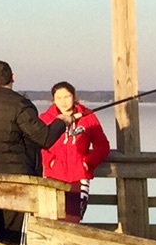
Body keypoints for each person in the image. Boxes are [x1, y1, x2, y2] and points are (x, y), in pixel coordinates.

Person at [0, 60, 75, 245]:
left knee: (0, 230)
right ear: (13, 78)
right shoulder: (20, 104)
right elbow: (44, 138)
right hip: (16, 178)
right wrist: (62, 121)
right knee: (17, 232)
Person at [41, 81, 110, 222]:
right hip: (54, 176)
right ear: (53, 100)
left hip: (79, 176)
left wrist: (88, 162)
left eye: (67, 97)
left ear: (74, 96)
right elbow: (38, 144)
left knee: (73, 219)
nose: (63, 102)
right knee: (52, 219)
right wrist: (50, 161)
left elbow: (102, 146)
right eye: (59, 98)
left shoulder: (88, 117)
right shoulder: (45, 119)